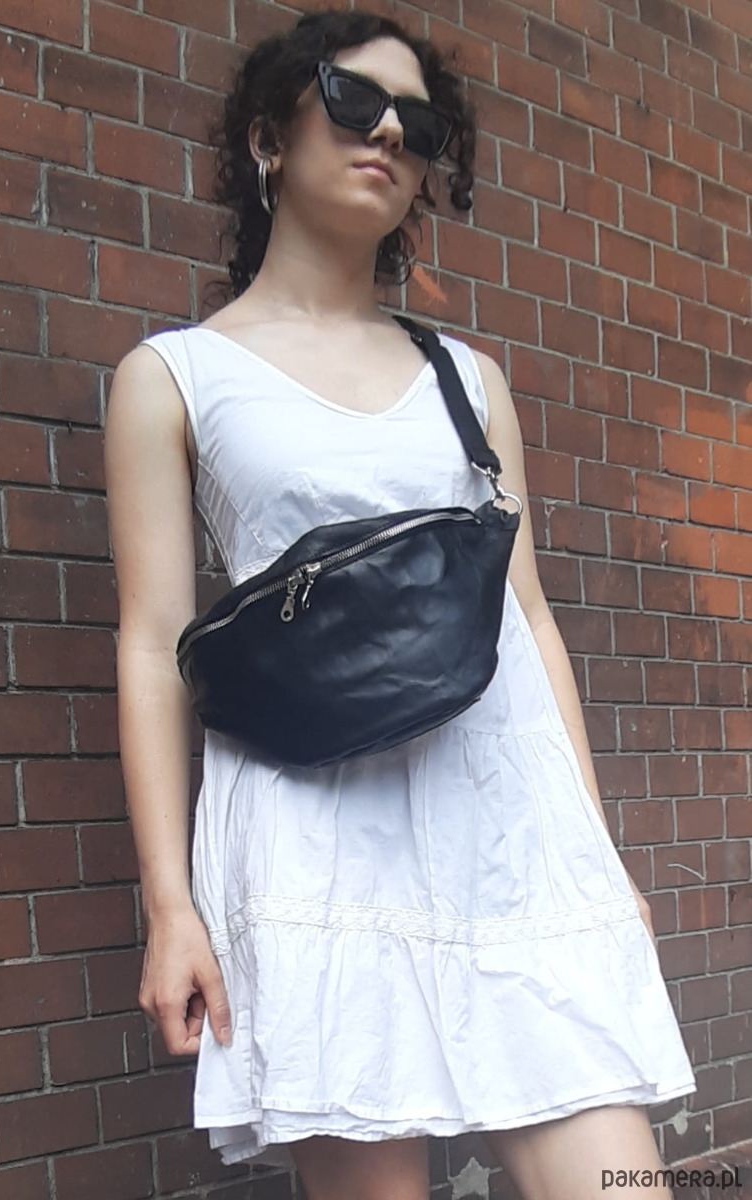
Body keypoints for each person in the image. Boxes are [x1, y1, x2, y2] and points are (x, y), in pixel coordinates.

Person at [103, 10, 697, 1199]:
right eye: (351, 99)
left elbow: (529, 622)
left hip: (506, 829)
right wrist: (172, 906)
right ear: (268, 138)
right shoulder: (175, 375)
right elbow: (154, 643)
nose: (386, 132)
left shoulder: (468, 380)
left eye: (416, 124)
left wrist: (592, 851)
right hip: (316, 831)